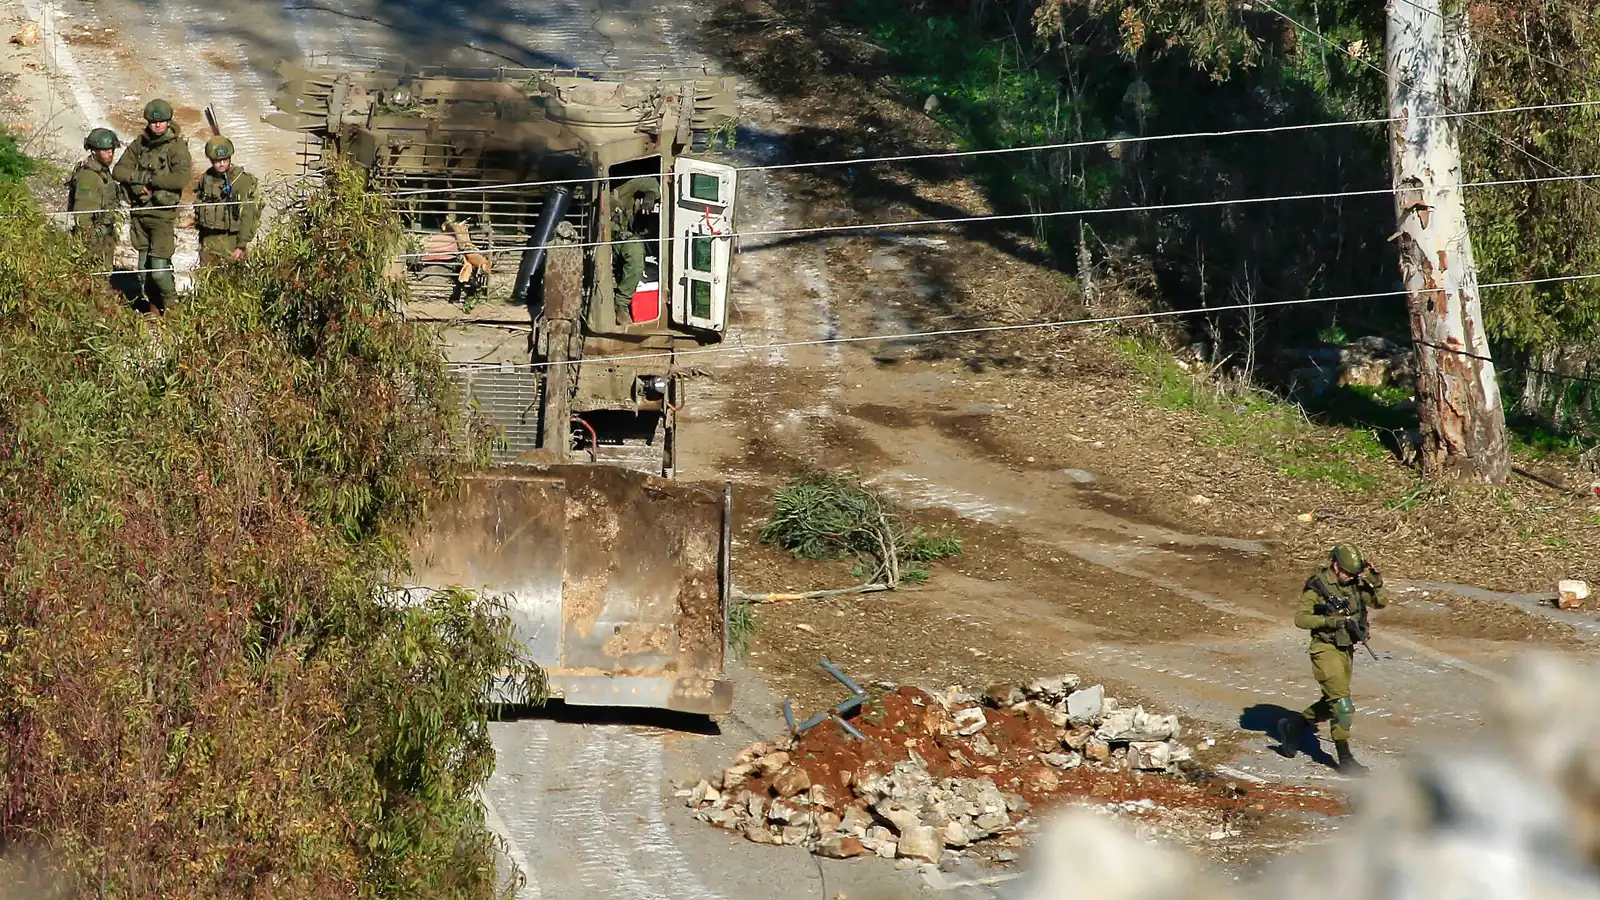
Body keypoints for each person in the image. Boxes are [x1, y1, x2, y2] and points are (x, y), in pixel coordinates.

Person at [1278, 543, 1389, 775]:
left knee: (1332, 704)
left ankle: (1295, 725)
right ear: (1335, 565)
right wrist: (1331, 621)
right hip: (1324, 648)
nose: (1350, 578)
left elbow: (1380, 601)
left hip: (1346, 649)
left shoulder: (1355, 583)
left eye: (1354, 574)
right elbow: (1301, 619)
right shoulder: (1318, 586)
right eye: (1347, 573)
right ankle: (1344, 757)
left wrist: (1376, 579)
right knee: (1343, 705)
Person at [112, 98, 192, 312]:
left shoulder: (176, 146)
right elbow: (118, 171)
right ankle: (154, 307)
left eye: (162, 121)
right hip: (139, 214)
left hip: (162, 215)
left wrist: (150, 182)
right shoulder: (140, 144)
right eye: (153, 121)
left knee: (158, 268)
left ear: (168, 121)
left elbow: (181, 178)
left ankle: (174, 307)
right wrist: (139, 178)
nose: (157, 125)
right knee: (143, 269)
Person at [194, 136, 259, 267]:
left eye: (225, 160)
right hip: (209, 239)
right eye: (217, 161)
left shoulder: (241, 180)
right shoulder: (206, 178)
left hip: (232, 240)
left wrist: (241, 246)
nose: (221, 164)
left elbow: (248, 215)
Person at [66, 128, 121, 272]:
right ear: (94, 151)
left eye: (112, 150)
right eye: (105, 150)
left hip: (104, 237)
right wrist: (91, 239)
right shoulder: (89, 177)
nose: (110, 154)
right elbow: (82, 216)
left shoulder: (102, 171)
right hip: (93, 240)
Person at [610, 176, 660, 324]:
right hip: (595, 240)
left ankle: (621, 303)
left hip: (621, 238)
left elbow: (651, 183)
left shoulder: (624, 189)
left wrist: (650, 196)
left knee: (636, 251)